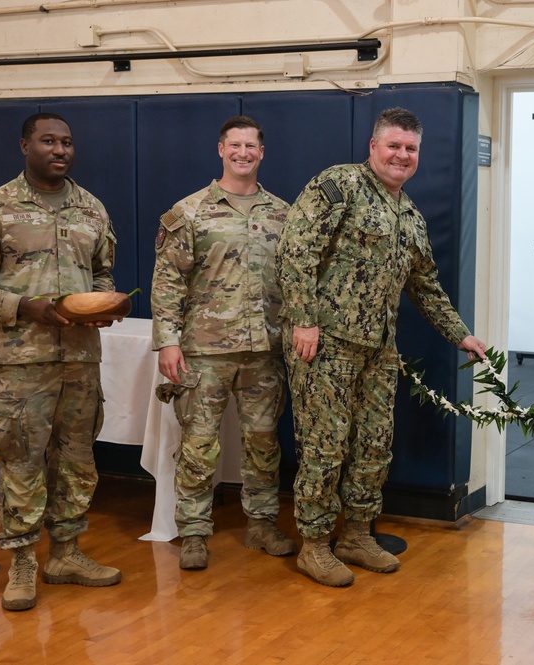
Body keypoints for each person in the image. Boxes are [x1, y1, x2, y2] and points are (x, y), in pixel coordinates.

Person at [279, 107, 488, 587]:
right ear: (373, 147)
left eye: (411, 148)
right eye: (393, 145)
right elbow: (296, 250)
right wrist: (304, 321)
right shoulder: (340, 186)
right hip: (325, 346)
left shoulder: (409, 214)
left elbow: (425, 284)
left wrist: (460, 334)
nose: (402, 155)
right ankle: (313, 544)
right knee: (324, 448)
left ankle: (355, 534)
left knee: (374, 445)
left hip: (378, 349)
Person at [0, 112, 122, 611]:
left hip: (81, 364)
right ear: (25, 144)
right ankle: (22, 561)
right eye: (48, 141)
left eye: (67, 141)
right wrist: (22, 307)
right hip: (21, 366)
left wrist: (103, 306)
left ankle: (65, 553)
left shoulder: (92, 210)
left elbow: (104, 273)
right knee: (21, 463)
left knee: (77, 461)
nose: (60, 149)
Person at [151, 116, 294, 571]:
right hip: (205, 350)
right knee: (198, 444)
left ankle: (262, 524)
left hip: (264, 350)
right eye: (235, 145)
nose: (243, 153)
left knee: (264, 442)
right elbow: (168, 282)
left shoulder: (283, 214)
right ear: (220, 150)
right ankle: (193, 531)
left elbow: (295, 282)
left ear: (262, 152)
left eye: (251, 145)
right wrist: (168, 343)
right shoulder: (190, 211)